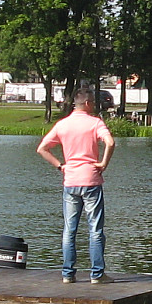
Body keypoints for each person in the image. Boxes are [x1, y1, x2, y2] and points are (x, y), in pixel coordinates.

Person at [36, 85, 116, 284]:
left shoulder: (63, 124)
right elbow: (111, 142)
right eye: (93, 103)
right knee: (95, 230)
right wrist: (104, 163)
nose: (95, 106)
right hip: (91, 180)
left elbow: (42, 148)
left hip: (70, 181)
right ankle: (97, 275)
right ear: (87, 103)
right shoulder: (95, 122)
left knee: (69, 230)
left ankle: (67, 274)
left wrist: (60, 166)